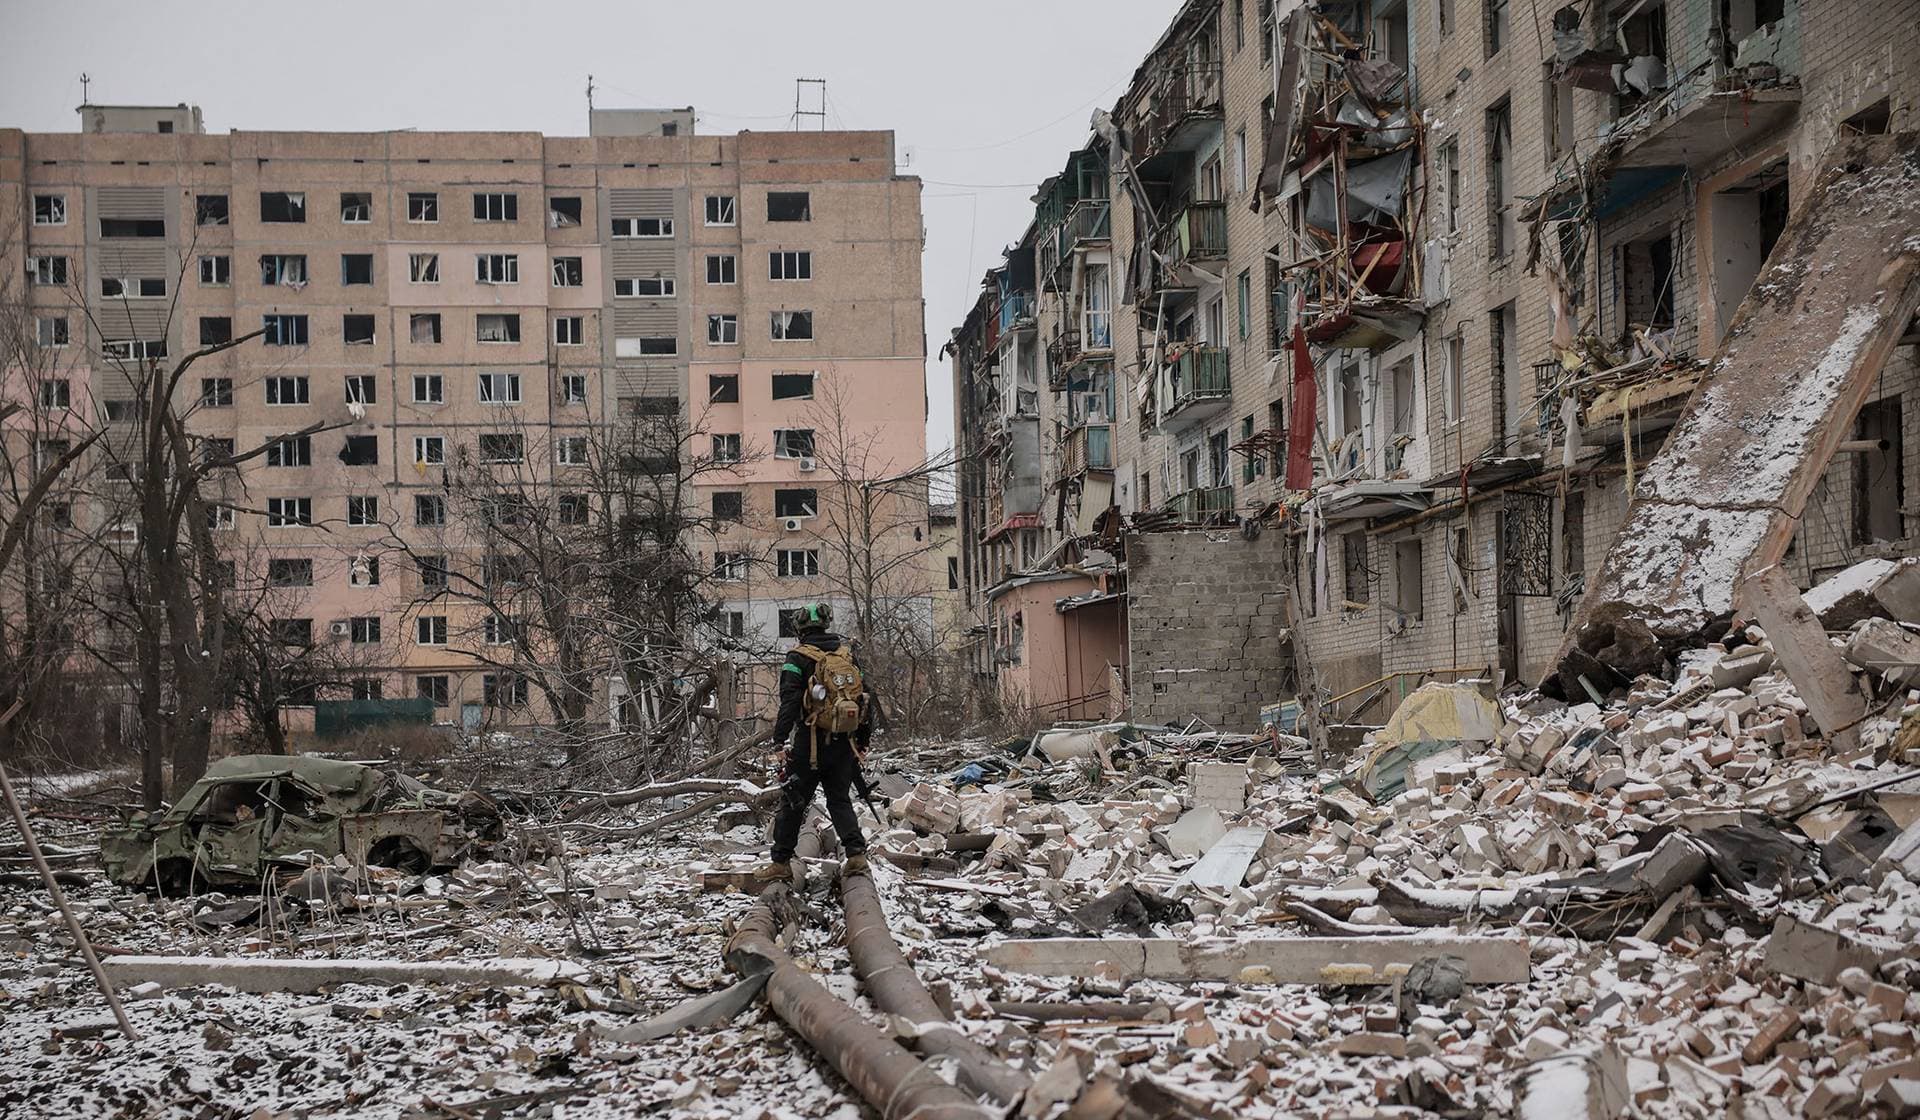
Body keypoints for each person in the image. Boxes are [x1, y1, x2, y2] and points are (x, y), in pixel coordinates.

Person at [756, 603, 875, 881]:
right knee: (839, 800)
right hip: (844, 744)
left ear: (799, 629)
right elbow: (865, 699)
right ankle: (856, 856)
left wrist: (778, 741)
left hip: (809, 745)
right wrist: (862, 740)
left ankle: (781, 863)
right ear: (825, 624)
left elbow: (789, 702)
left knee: (793, 802)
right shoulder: (846, 655)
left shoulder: (797, 657)